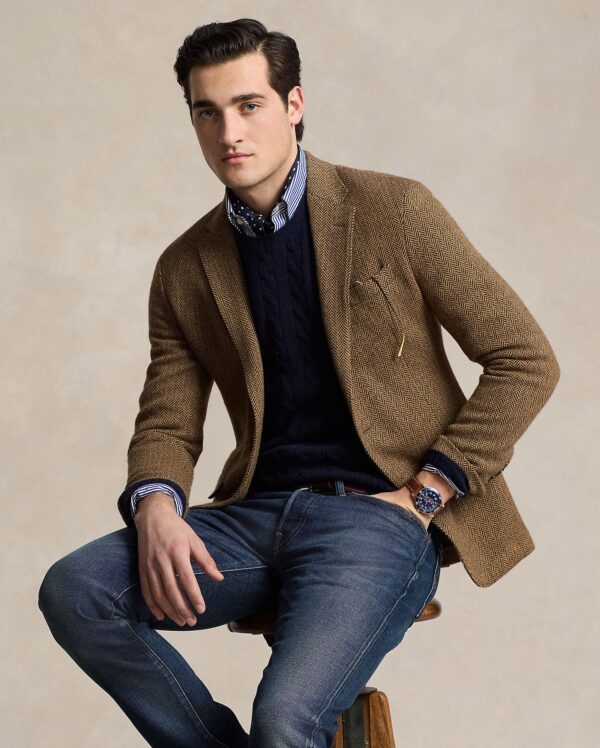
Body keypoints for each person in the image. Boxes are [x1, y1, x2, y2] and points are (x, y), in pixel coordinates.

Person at [38, 17, 560, 748]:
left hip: (377, 519)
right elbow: (167, 421)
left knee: (286, 722)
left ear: (293, 105)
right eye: (207, 112)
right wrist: (155, 506)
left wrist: (427, 492)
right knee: (76, 591)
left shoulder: (395, 210)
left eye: (249, 105)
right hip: (253, 516)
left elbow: (525, 358)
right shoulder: (184, 268)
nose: (229, 132)